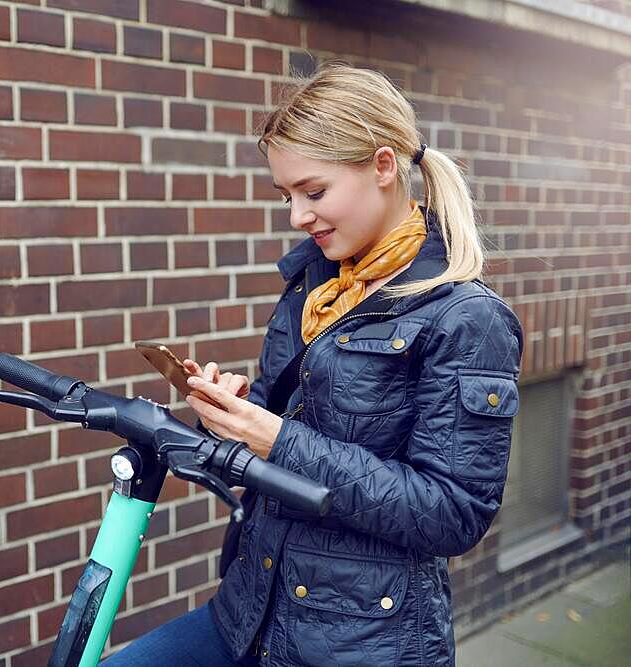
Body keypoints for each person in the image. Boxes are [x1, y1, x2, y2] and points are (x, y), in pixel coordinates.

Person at [101, 62, 523, 666]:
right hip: (250, 607)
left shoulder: (467, 318)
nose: (297, 216)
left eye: (314, 192)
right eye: (287, 195)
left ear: (383, 167)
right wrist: (240, 413)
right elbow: (288, 426)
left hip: (361, 643)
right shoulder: (315, 279)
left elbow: (453, 513)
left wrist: (277, 440)